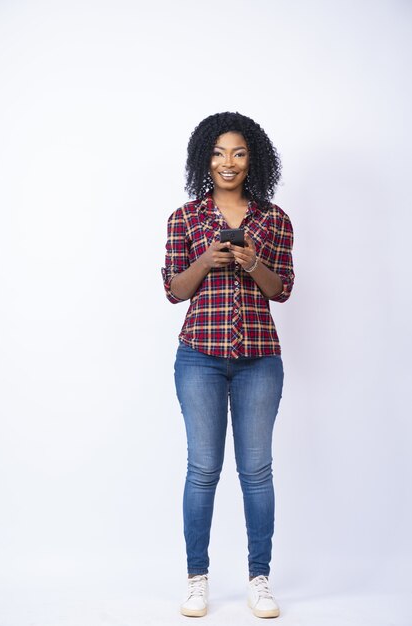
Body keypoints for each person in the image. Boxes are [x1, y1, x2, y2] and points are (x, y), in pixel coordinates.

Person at [161, 111, 295, 618]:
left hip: (260, 360)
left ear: (252, 159)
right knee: (203, 469)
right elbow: (174, 290)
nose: (228, 162)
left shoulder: (274, 219)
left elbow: (281, 291)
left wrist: (253, 261)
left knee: (257, 471)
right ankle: (198, 581)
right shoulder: (186, 218)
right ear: (205, 159)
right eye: (218, 153)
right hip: (199, 358)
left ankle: (259, 580)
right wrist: (207, 261)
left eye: (239, 152)